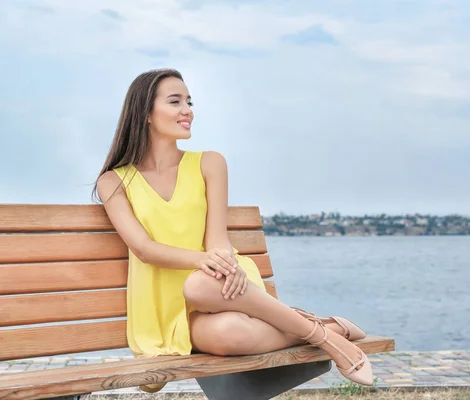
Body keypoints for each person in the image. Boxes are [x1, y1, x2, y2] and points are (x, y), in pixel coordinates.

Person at [93, 69, 372, 393]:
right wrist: (202, 261)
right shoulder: (114, 181)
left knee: (199, 286)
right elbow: (143, 248)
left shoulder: (209, 163)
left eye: (189, 101)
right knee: (230, 334)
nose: (188, 111)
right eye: (175, 102)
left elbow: (217, 238)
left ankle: (326, 338)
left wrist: (226, 263)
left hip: (224, 283)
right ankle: (325, 329)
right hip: (169, 309)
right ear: (145, 114)